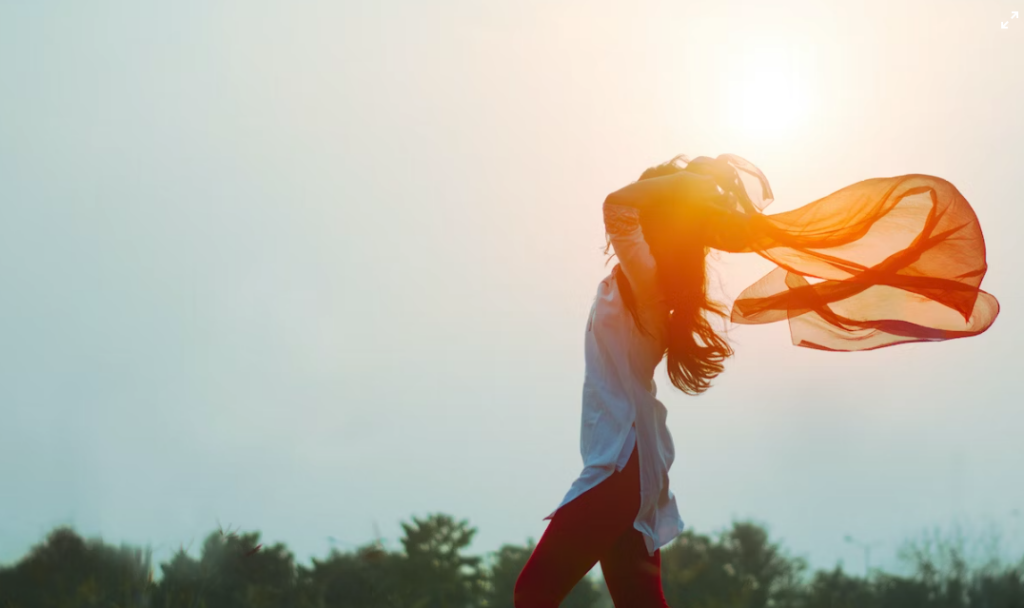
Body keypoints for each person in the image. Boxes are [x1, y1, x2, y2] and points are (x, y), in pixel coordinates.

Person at [513, 155, 744, 608]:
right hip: (630, 462)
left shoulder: (647, 278)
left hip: (622, 462)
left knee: (534, 591)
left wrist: (685, 183)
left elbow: (617, 206)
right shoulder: (643, 281)